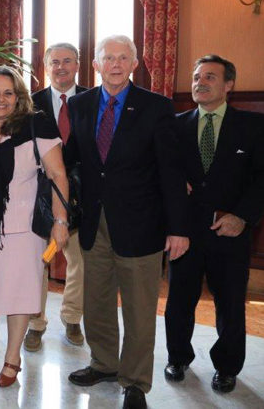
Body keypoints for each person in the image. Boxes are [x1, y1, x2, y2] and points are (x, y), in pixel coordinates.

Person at [65, 35, 189, 409]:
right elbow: (73, 159)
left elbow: (171, 171)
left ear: (135, 63)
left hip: (141, 224)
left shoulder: (156, 107)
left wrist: (179, 227)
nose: (115, 64)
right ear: (97, 65)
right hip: (94, 222)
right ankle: (103, 363)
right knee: (96, 301)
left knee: (138, 307)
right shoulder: (79, 104)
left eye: (123, 57)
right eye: (108, 58)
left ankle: (135, 381)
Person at [164, 55, 264, 393]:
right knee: (179, 300)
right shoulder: (175, 126)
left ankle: (227, 366)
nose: (199, 82)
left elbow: (262, 179)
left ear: (229, 85)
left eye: (209, 76)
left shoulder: (253, 126)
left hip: (230, 230)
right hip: (185, 231)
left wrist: (243, 217)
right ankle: (177, 357)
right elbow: (161, 171)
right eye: (195, 77)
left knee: (231, 303)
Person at [0, 65, 69, 387]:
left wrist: (60, 222)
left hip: (25, 230)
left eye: (8, 93)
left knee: (20, 295)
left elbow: (58, 176)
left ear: (19, 96)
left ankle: (12, 357)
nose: (1, 100)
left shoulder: (36, 124)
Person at [26, 42, 87, 351]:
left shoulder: (92, 100)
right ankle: (35, 323)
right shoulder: (29, 104)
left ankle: (73, 317)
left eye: (67, 61)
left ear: (77, 65)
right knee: (41, 260)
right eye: (55, 62)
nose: (61, 67)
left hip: (83, 196)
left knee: (80, 260)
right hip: (40, 196)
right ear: (45, 67)